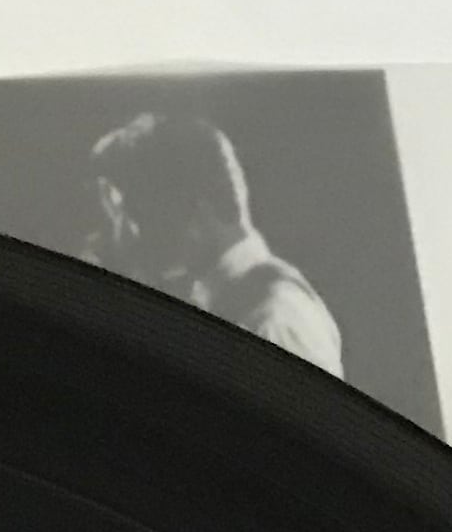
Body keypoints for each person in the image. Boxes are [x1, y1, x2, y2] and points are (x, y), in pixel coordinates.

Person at [87, 110, 344, 375]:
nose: (122, 235)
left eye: (135, 214)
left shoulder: (275, 317)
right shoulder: (227, 303)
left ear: (194, 212)